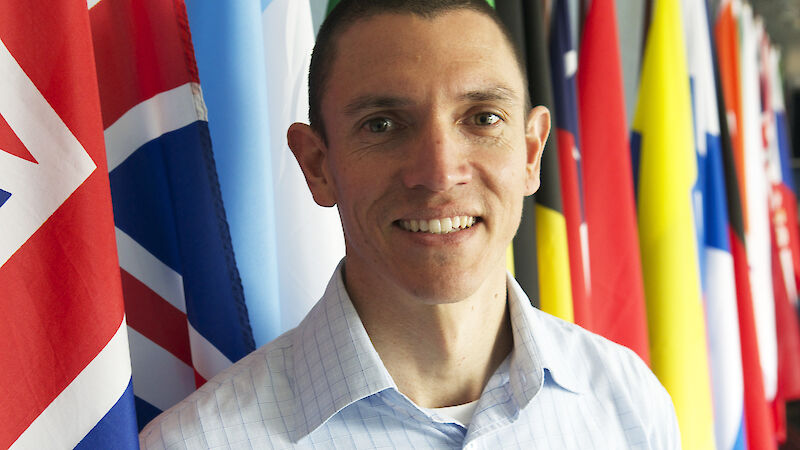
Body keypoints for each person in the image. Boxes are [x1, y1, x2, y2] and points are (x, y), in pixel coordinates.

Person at [139, 0, 680, 448]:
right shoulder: (198, 443)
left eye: (482, 118)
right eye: (383, 124)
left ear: (532, 153)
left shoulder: (629, 403)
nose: (440, 173)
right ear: (318, 167)